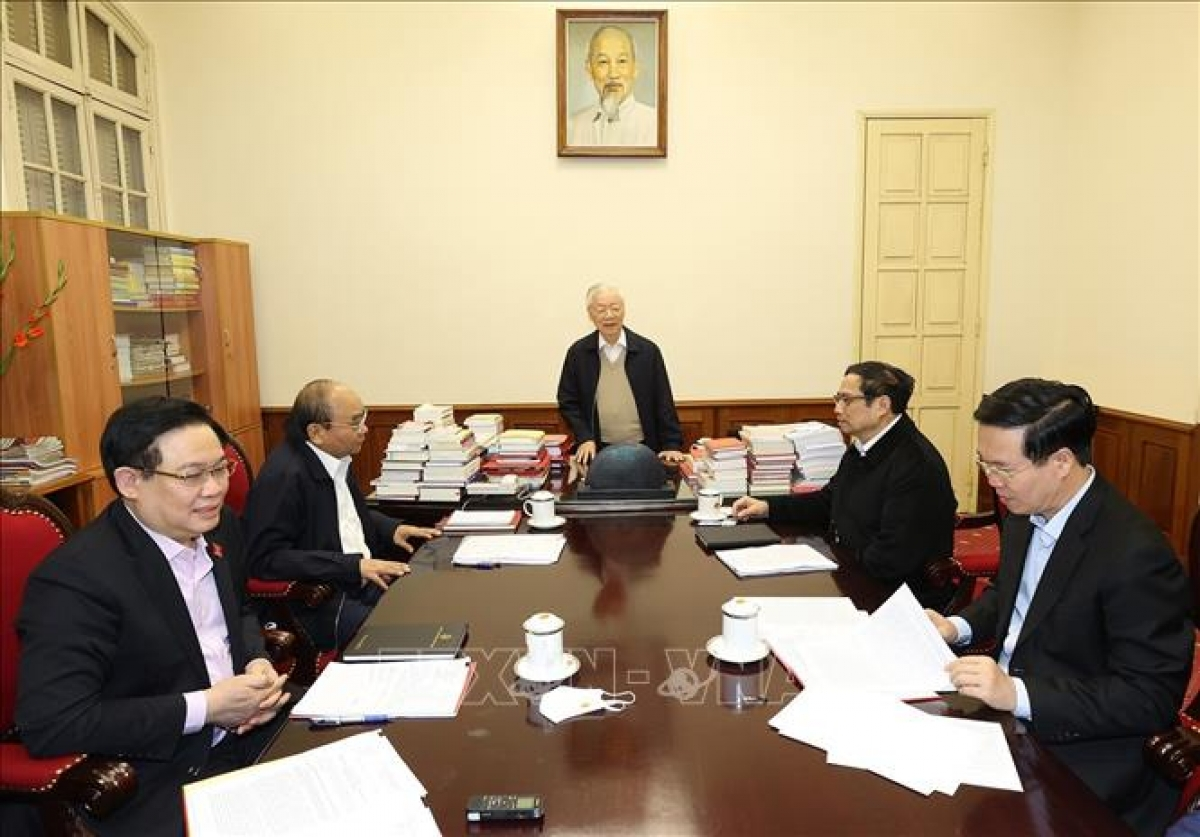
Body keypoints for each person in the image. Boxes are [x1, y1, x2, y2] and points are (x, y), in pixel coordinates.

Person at [927, 378, 1192, 837]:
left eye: (1004, 468)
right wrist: (956, 627)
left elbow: (1147, 697)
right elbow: (1010, 596)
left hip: (1082, 754)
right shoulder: (1027, 509)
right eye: (984, 463)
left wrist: (1018, 694)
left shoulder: (1134, 552)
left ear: (1061, 462)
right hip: (1004, 718)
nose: (991, 481)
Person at [15, 398, 291, 836]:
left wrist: (256, 661)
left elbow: (239, 610)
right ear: (130, 481)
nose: (214, 488)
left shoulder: (220, 527)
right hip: (154, 776)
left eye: (220, 469)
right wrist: (208, 707)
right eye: (192, 475)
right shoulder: (77, 577)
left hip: (248, 733)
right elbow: (55, 723)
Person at [731, 361, 957, 609]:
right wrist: (767, 507)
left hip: (894, 599)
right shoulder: (863, 447)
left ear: (882, 405)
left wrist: (829, 562)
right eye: (837, 399)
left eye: (847, 400)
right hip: (853, 576)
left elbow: (892, 558)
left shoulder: (916, 465)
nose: (837, 409)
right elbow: (828, 501)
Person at [243, 379, 440, 650]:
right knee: (403, 634)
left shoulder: (334, 457)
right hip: (316, 602)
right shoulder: (284, 477)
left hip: (355, 583)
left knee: (431, 601)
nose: (365, 429)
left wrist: (392, 529)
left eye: (364, 419)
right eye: (355, 423)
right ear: (316, 432)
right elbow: (266, 559)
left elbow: (344, 515)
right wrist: (353, 566)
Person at [557, 284, 684, 467]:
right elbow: (568, 401)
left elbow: (663, 401)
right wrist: (584, 436)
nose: (609, 315)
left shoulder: (648, 351)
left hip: (645, 448)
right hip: (597, 451)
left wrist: (671, 444)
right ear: (590, 314)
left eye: (615, 308)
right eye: (601, 310)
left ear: (624, 310)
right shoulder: (578, 353)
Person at [567, 25, 657, 147]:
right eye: (603, 62)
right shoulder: (573, 125)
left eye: (622, 61)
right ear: (589, 70)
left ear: (635, 68)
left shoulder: (655, 123)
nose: (613, 74)